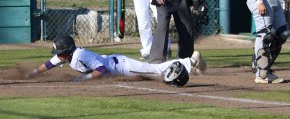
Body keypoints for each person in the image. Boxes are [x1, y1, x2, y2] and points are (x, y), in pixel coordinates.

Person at [25, 35, 206, 84]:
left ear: (67, 51)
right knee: (155, 69)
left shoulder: (80, 55)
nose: (58, 56)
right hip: (115, 64)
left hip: (121, 67)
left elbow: (102, 70)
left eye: (60, 52)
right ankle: (190, 62)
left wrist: (83, 79)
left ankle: (190, 61)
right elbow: (49, 64)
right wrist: (33, 73)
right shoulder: (67, 55)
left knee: (156, 70)